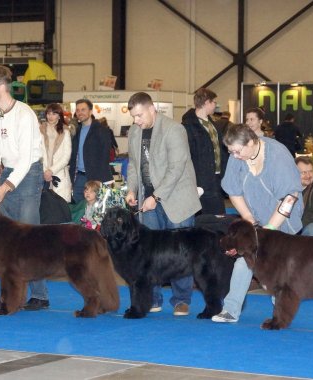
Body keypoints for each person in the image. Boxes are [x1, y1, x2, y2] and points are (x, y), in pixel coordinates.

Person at [213, 123, 303, 323]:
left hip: (283, 219)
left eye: (237, 151)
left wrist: (269, 230)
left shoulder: (278, 156)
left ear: (252, 142)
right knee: (244, 260)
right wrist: (249, 219)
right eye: (231, 152)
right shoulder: (237, 157)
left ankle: (280, 308)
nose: (234, 156)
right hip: (256, 218)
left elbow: (290, 197)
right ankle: (230, 309)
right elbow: (232, 190)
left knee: (277, 265)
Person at [124, 92, 201, 317]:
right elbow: (132, 165)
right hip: (147, 200)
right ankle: (153, 298)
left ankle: (181, 300)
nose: (136, 120)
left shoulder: (174, 130)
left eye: (139, 115)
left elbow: (176, 169)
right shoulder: (134, 132)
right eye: (133, 117)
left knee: (182, 252)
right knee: (149, 253)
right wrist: (132, 189)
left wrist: (156, 197)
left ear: (151, 109)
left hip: (176, 198)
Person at [0, 64, 49, 311]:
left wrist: (5, 187)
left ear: (0, 87)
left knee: (29, 234)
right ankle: (7, 293)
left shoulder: (25, 115)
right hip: (9, 171)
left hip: (29, 173)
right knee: (4, 237)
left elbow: (27, 158)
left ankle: (40, 295)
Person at [181, 87, 229, 215]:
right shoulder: (187, 126)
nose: (216, 105)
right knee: (203, 220)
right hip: (200, 182)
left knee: (219, 218)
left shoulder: (213, 124)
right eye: (214, 102)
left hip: (217, 179)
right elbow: (186, 156)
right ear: (206, 102)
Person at [68, 99, 112, 203]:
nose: (80, 112)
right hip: (79, 177)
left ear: (91, 111)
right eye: (78, 110)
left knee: (97, 209)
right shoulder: (76, 131)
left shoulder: (101, 130)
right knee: (79, 208)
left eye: (83, 109)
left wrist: (99, 179)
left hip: (96, 177)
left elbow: (105, 156)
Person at [40, 103, 72, 202]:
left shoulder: (65, 132)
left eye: (54, 114)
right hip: (42, 173)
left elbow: (66, 157)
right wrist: (45, 171)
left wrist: (51, 171)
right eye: (49, 113)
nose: (51, 116)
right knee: (44, 207)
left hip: (59, 173)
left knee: (60, 207)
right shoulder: (39, 130)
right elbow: (36, 153)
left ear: (59, 115)